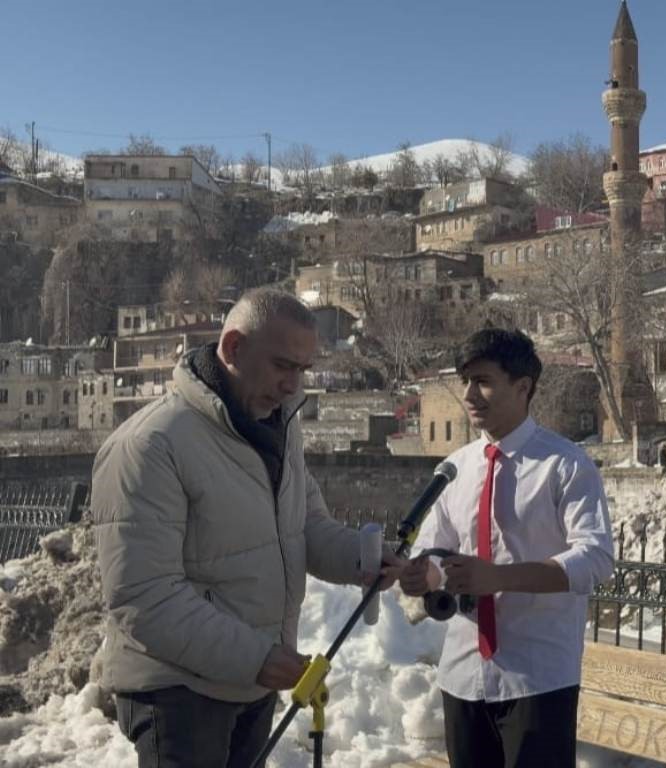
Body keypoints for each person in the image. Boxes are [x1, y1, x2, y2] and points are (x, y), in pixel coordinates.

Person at [92, 287, 403, 768]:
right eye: (283, 366)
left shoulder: (277, 425)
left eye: (302, 370)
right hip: (179, 694)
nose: (293, 386)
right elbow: (145, 597)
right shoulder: (150, 446)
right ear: (233, 348)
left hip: (252, 679)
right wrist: (255, 655)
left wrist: (360, 557)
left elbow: (304, 524)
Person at [399, 328, 614, 768]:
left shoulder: (566, 464)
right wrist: (424, 575)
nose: (469, 394)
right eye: (465, 381)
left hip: (537, 678)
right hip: (462, 675)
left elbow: (595, 557)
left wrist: (499, 577)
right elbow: (434, 551)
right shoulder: (454, 468)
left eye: (482, 380)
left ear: (522, 387)